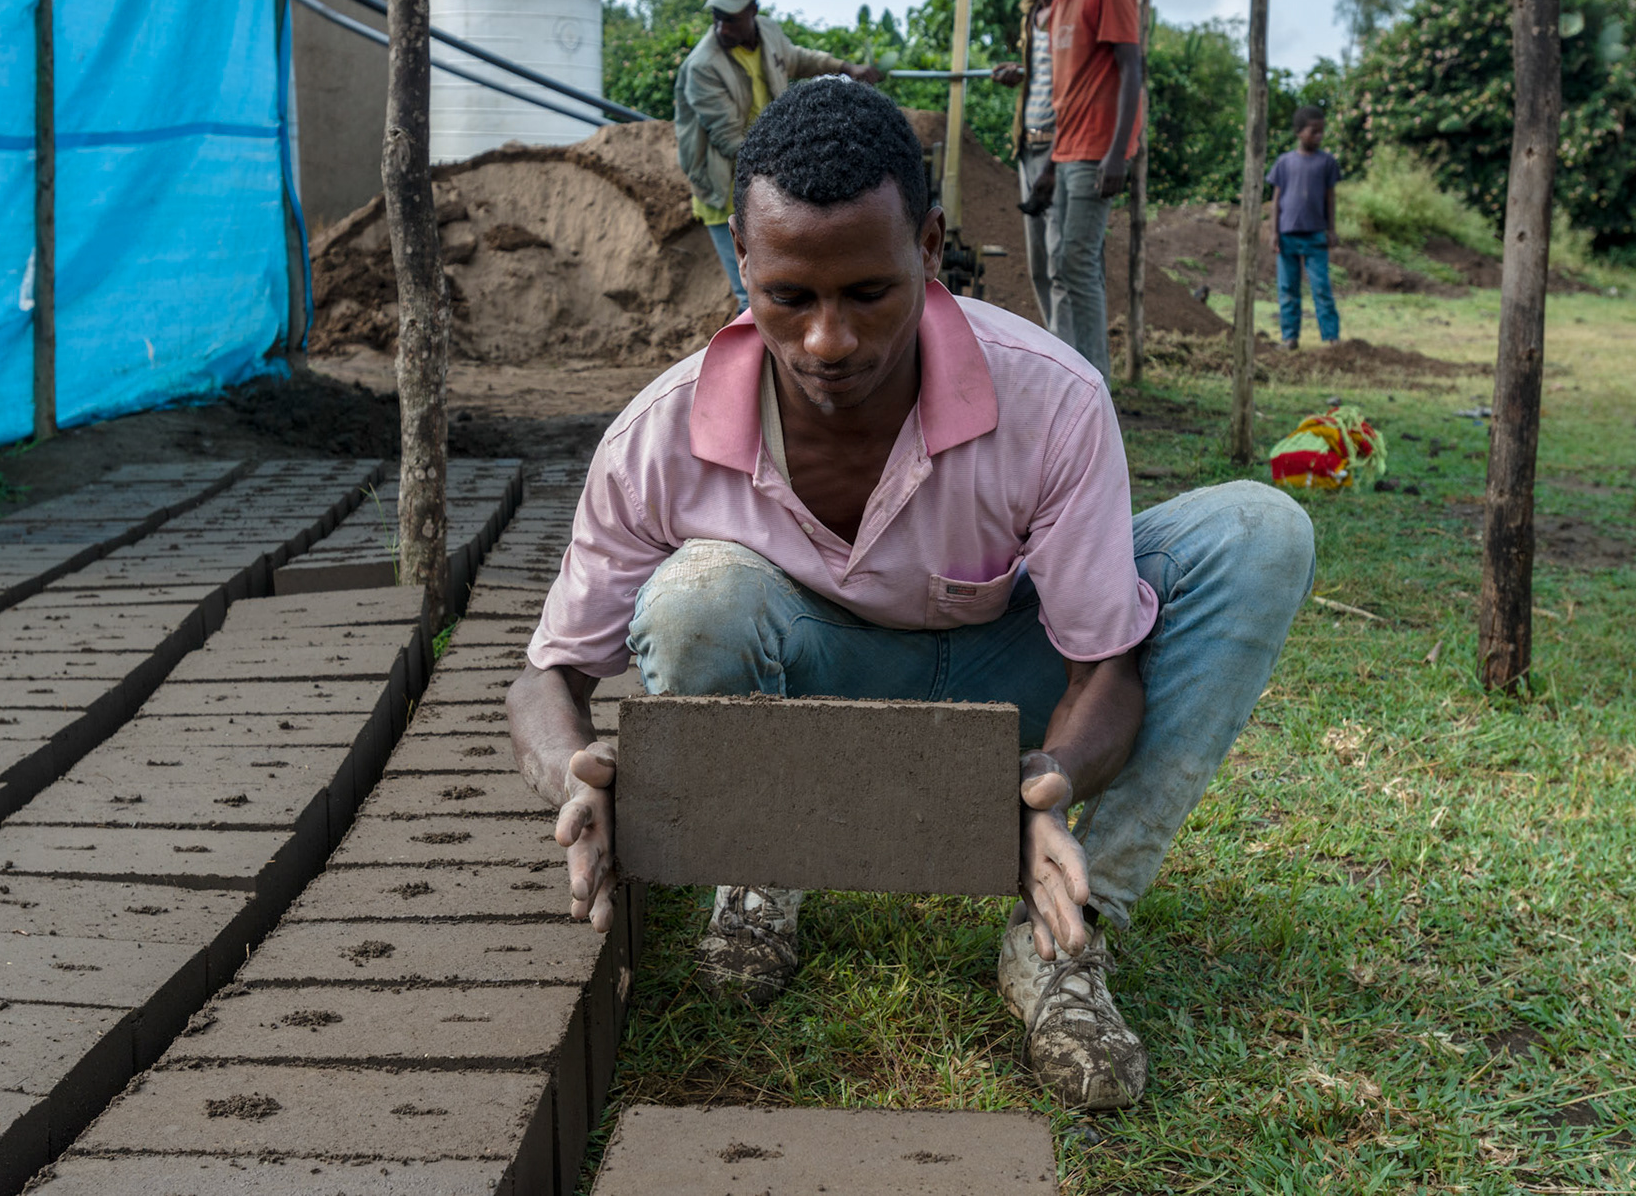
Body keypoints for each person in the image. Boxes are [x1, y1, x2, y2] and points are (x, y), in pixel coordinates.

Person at [507, 79, 1314, 1112]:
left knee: (1259, 531)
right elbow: (547, 674)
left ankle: (1062, 930)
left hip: (1000, 680)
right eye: (789, 297)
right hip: (812, 686)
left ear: (930, 248)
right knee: (693, 593)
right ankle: (761, 864)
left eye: (868, 293)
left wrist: (1052, 780)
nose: (828, 342)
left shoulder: (1049, 396)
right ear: (741, 268)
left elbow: (1103, 667)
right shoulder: (659, 436)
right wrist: (566, 776)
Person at [674, 0, 885, 313]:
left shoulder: (768, 31)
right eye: (716, 17)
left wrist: (847, 67)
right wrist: (795, 163)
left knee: (783, 284)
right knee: (752, 293)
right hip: (725, 185)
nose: (721, 27)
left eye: (731, 18)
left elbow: (798, 58)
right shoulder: (703, 66)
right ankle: (758, 367)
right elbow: (730, 141)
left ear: (753, 10)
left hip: (767, 176)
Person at [1024, 0, 1143, 385]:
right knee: (1066, 263)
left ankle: (1095, 384)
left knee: (1077, 259)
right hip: (1067, 149)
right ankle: (1077, 375)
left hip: (1098, 150)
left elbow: (1132, 69)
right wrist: (1051, 165)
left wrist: (1119, 153)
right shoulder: (1062, 0)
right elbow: (1067, 94)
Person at [989, 0, 1065, 329]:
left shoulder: (1071, 12)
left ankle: (1076, 365)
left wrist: (1055, 163)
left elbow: (1077, 86)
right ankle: (1060, 348)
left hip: (1062, 146)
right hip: (1028, 143)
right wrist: (1020, 73)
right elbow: (1045, 73)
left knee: (1063, 263)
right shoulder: (1031, 12)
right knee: (1039, 262)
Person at [1269, 106, 1343, 351]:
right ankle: (1290, 338)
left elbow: (1330, 198)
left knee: (1321, 287)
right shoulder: (1284, 163)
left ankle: (1332, 339)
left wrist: (1331, 229)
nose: (1319, 136)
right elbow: (1276, 199)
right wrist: (1273, 232)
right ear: (1299, 132)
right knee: (1287, 289)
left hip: (1315, 235)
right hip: (1287, 233)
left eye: (1322, 132)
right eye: (1314, 132)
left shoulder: (1327, 162)